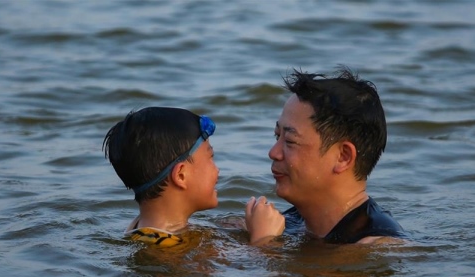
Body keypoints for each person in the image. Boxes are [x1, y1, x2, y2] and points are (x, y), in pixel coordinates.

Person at [103, 106, 283, 247]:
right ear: (181, 175)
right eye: (211, 157)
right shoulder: (162, 249)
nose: (217, 170)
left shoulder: (142, 227)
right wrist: (264, 239)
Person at [270, 67, 406, 244]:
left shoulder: (377, 246)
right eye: (276, 136)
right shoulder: (293, 222)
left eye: (290, 141)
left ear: (343, 157)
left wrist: (264, 243)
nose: (273, 152)